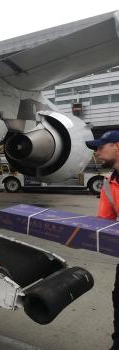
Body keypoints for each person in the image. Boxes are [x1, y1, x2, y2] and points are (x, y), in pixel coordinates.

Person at [85, 130, 119, 350]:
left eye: (100, 146)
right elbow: (104, 225)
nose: (96, 152)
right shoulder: (108, 184)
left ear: (117, 146)